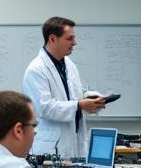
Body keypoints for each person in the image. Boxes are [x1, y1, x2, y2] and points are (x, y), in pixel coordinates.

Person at [22, 16, 107, 159]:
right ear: (53, 39)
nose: (75, 43)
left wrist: (92, 99)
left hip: (74, 140)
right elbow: (45, 108)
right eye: (70, 38)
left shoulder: (69, 64)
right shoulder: (36, 70)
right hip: (51, 147)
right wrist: (80, 105)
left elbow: (76, 93)